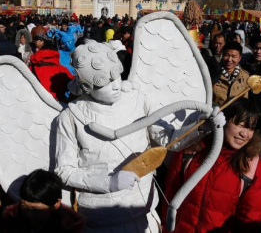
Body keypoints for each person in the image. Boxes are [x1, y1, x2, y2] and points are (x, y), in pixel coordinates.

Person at [55, 41, 221, 232]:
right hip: (101, 220)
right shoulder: (70, 117)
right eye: (104, 82)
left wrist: (200, 127)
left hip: (144, 212)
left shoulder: (137, 99)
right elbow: (64, 170)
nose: (116, 85)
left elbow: (168, 139)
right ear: (86, 87)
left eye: (116, 76)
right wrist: (108, 182)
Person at [162, 98, 261, 233]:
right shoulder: (193, 148)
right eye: (240, 125)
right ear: (224, 119)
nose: (244, 134)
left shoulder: (251, 164)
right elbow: (170, 192)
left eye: (250, 128)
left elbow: (251, 215)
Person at [3, 169, 85, 233]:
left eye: (36, 209)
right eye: (24, 205)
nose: (29, 214)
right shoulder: (13, 219)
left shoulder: (68, 227)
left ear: (56, 204)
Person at [29, 38, 75, 103]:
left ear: (40, 52)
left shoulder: (30, 69)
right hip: (56, 107)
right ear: (55, 53)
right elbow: (75, 85)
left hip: (35, 105)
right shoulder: (62, 70)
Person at [212, 41, 250, 106]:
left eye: (233, 56)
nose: (229, 59)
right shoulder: (213, 73)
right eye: (226, 55)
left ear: (239, 58)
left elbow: (245, 100)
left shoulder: (245, 76)